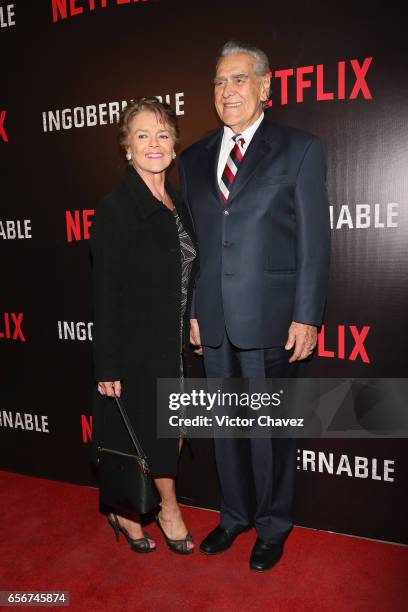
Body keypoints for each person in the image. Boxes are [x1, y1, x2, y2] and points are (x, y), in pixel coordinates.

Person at [179, 41, 330, 571]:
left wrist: (308, 314)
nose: (228, 91)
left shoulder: (300, 149)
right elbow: (194, 246)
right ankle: (234, 515)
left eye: (239, 80)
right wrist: (194, 309)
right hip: (215, 318)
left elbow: (315, 241)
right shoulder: (193, 159)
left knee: (270, 430)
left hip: (272, 319)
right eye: (220, 82)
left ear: (266, 87)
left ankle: (272, 525)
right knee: (226, 425)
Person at [90, 97, 197, 554]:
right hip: (134, 348)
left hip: (169, 342)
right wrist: (107, 364)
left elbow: (185, 270)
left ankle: (136, 508)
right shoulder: (116, 208)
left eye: (162, 134)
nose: (154, 143)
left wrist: (193, 314)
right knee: (146, 435)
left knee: (171, 433)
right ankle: (156, 510)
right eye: (142, 135)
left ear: (173, 147)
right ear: (127, 148)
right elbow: (105, 293)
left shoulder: (178, 203)